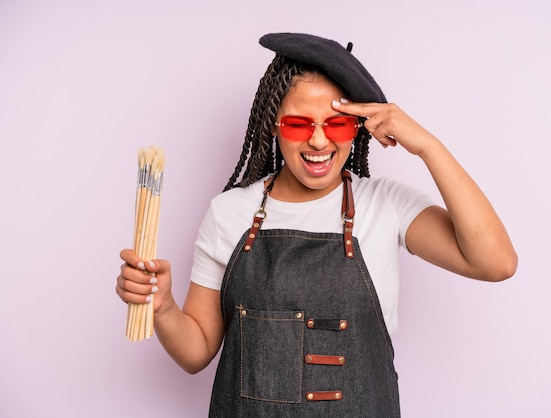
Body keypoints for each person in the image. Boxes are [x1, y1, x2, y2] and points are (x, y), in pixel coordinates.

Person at [116, 32, 517, 417]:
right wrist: (163, 306)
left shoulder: (385, 204)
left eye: (337, 124)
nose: (320, 142)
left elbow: (496, 262)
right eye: (299, 124)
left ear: (357, 127)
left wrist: (427, 146)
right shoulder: (229, 212)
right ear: (274, 124)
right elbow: (197, 351)